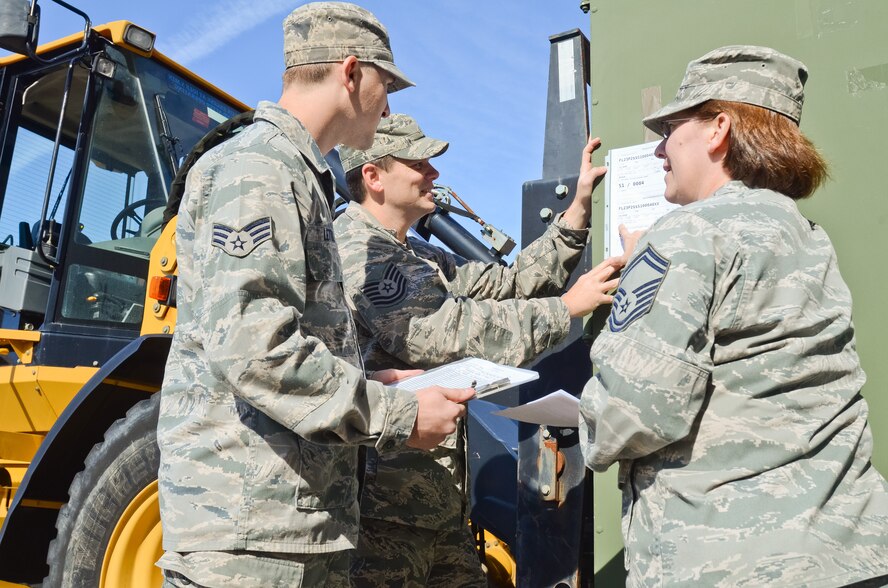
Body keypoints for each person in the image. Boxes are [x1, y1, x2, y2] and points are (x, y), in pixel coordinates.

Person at [155, 5, 475, 587]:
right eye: (388, 84)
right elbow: (257, 349)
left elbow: (281, 338)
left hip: (283, 528)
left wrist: (376, 384)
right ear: (351, 73)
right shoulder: (260, 166)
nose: (390, 105)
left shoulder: (292, 170)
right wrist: (398, 414)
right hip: (253, 539)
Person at [579, 45, 888, 587]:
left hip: (731, 564)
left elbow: (630, 416)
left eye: (671, 128)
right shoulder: (806, 235)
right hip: (847, 557)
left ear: (718, 129)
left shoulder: (687, 233)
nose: (659, 151)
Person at [334, 113, 627, 586]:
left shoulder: (419, 254)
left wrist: (575, 215)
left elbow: (508, 284)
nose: (434, 174)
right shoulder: (357, 251)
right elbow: (440, 331)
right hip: (384, 512)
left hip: (438, 503)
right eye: (420, 163)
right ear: (374, 177)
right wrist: (565, 309)